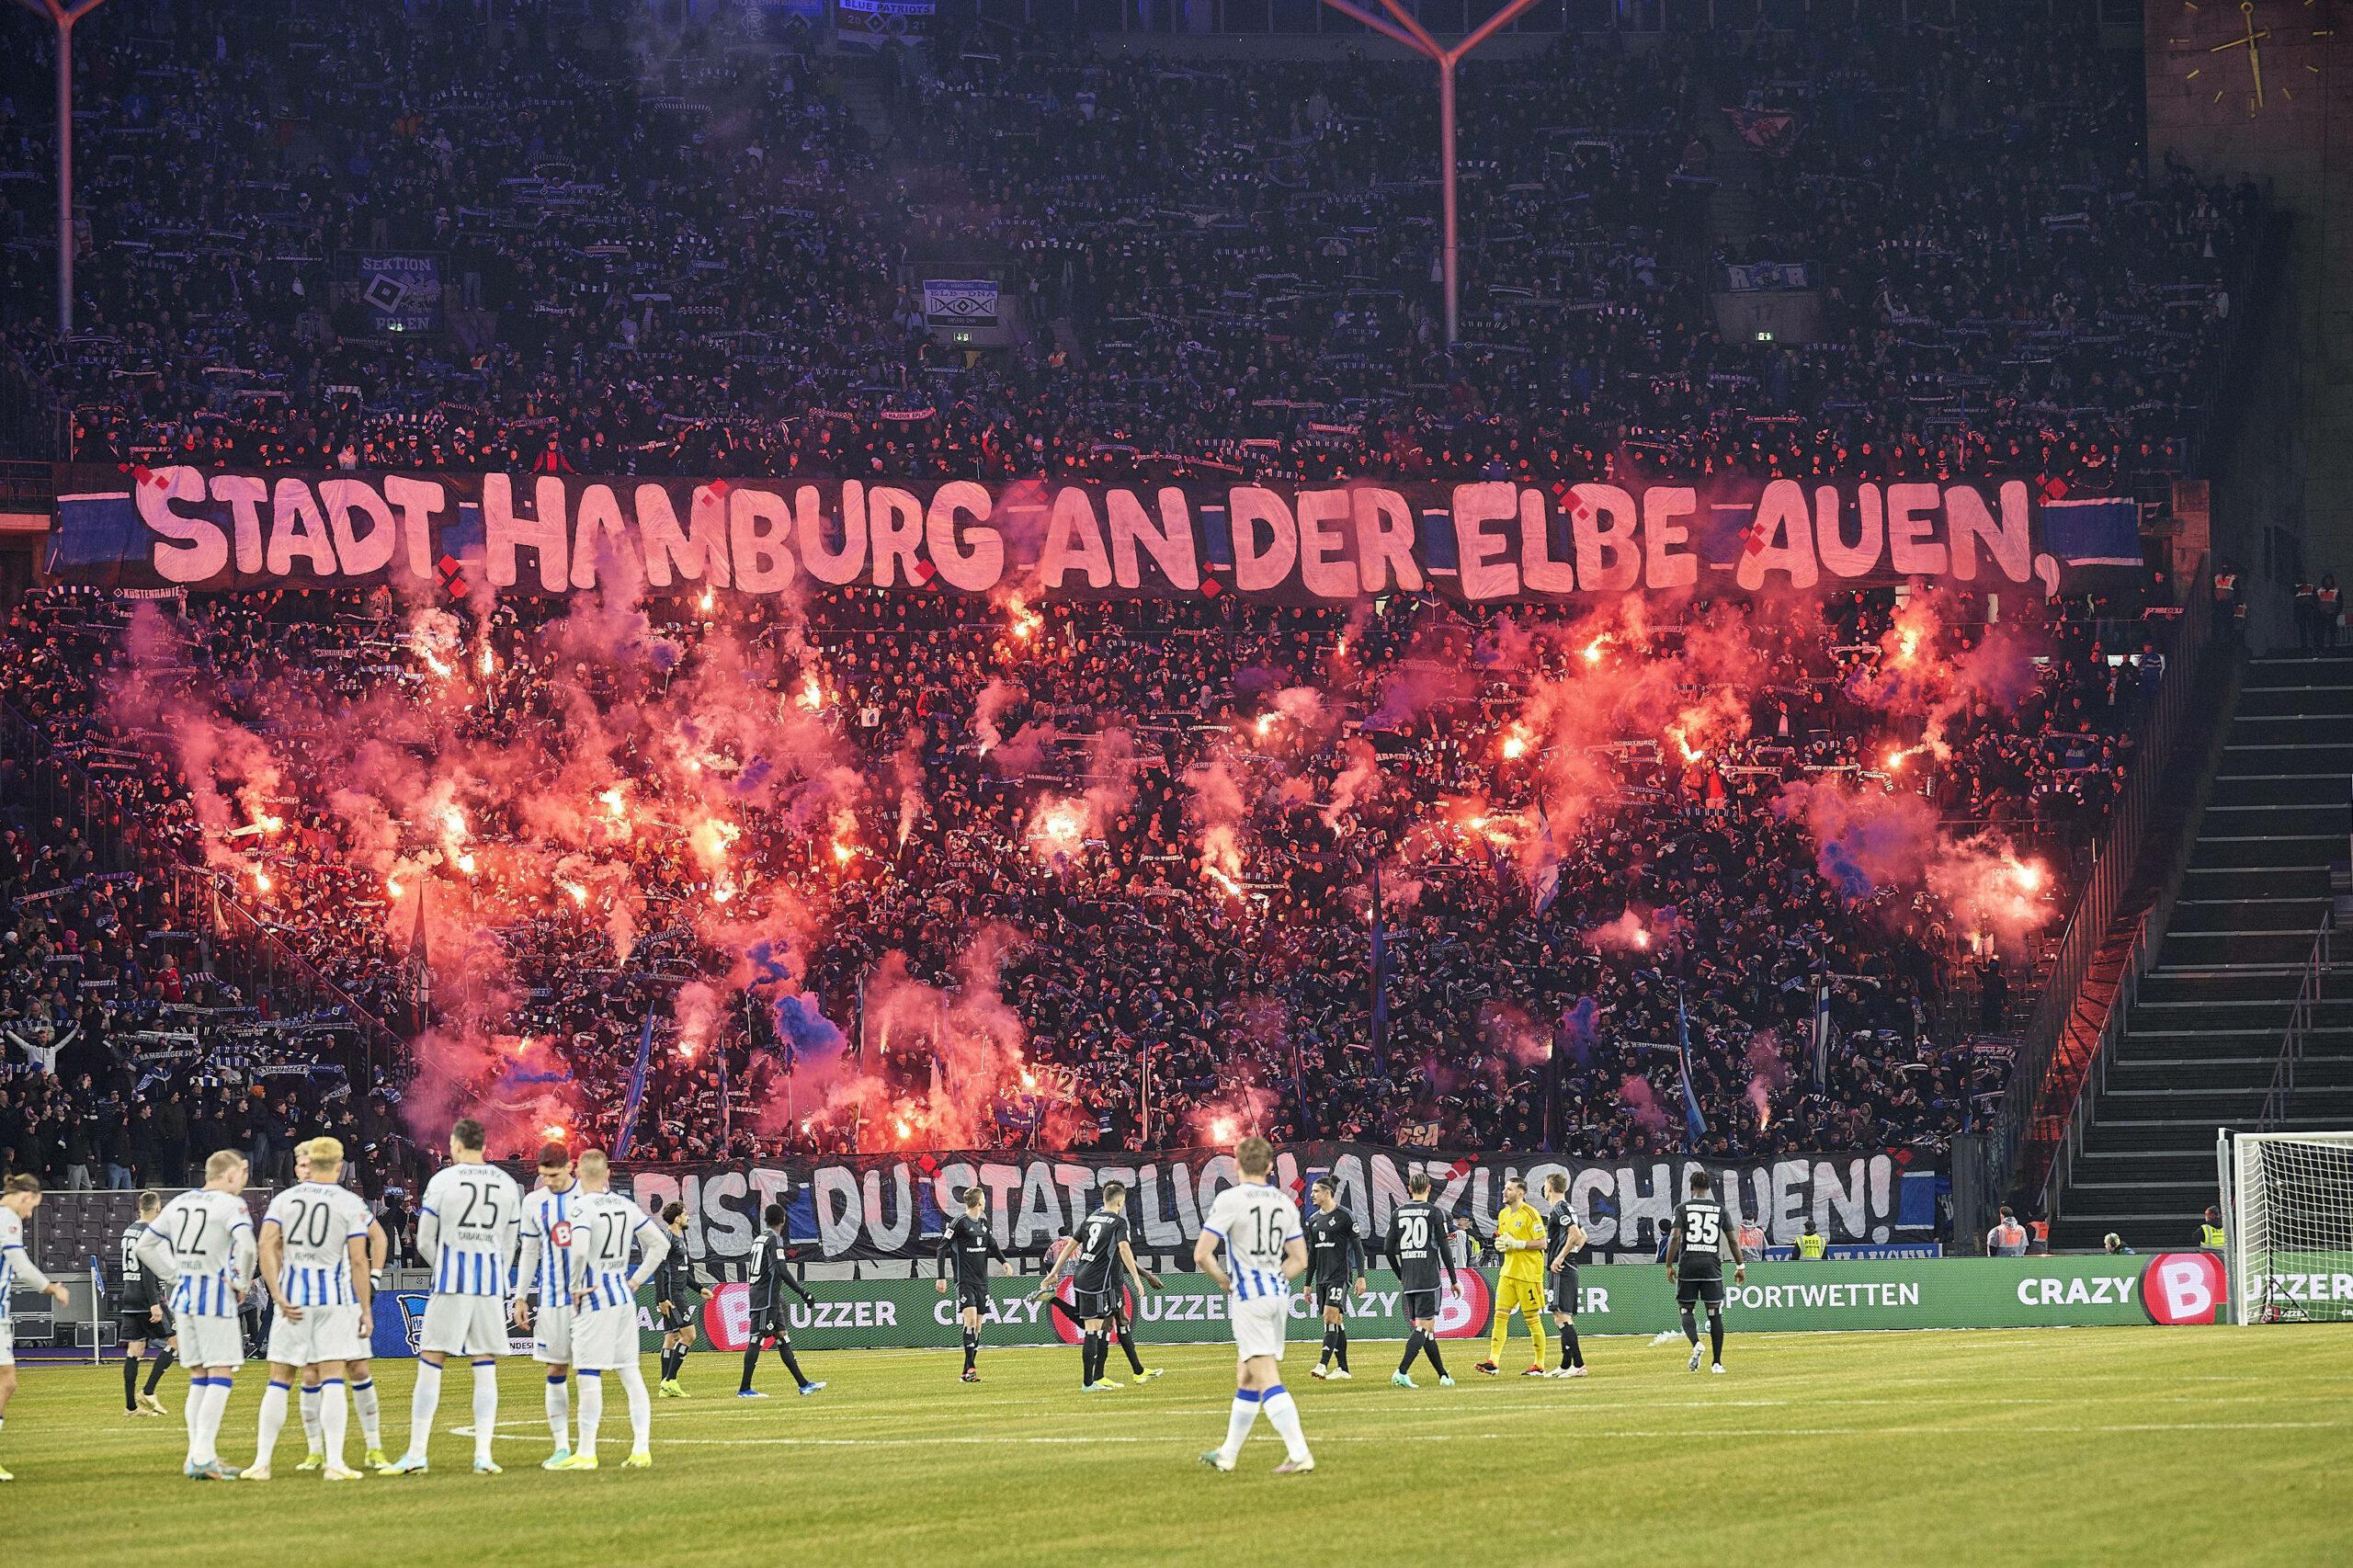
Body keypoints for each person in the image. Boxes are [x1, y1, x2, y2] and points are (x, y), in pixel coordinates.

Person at [384, 1119, 521, 1475]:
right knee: (484, 1365)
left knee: (431, 1361)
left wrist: (445, 1266)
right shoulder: (505, 1183)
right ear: (483, 1144)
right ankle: (483, 1456)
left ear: (457, 1145)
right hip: (489, 1284)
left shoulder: (444, 1180)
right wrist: (496, 1273)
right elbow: (510, 1243)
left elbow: (426, 1238)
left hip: (452, 1281)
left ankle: (417, 1454)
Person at [245, 1134, 373, 1481]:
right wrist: (365, 1308)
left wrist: (277, 1294)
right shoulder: (348, 1203)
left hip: (293, 1302)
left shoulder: (286, 1200)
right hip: (332, 1301)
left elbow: (266, 1246)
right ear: (338, 1164)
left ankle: (262, 1463)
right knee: (332, 1377)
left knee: (279, 1380)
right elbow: (359, 1261)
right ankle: (334, 1463)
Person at [135, 1149, 257, 1479]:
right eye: (243, 1173)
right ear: (231, 1174)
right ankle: (202, 1457)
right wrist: (241, 1281)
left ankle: (198, 1456)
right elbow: (247, 1246)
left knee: (199, 1378)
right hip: (215, 1297)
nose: (244, 1180)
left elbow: (143, 1246)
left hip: (184, 1299)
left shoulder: (180, 1202)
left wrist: (175, 1275)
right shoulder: (232, 1205)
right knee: (220, 1375)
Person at [1194, 1137, 1313, 1475]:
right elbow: (1299, 1260)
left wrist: (1224, 1281)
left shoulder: (1230, 1199)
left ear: (1236, 1164)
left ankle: (1300, 1452)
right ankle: (1228, 1454)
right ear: (1271, 1167)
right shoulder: (1284, 1202)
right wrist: (1274, 1278)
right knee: (1247, 1375)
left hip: (1251, 1297)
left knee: (1265, 1376)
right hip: (1276, 1294)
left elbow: (1202, 1254)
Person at [549, 1149, 667, 1471]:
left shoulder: (580, 1207)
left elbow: (580, 1250)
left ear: (577, 1174)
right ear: (608, 1175)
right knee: (631, 1373)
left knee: (589, 1374)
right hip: (623, 1296)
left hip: (594, 1296)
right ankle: (641, 1449)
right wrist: (637, 1280)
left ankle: (586, 1453)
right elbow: (661, 1244)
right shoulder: (624, 1205)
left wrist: (574, 1286)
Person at [513, 1143, 583, 1468]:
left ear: (571, 1166)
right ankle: (561, 1446)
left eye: (553, 1175)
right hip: (553, 1301)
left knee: (589, 1372)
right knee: (555, 1369)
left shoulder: (588, 1196)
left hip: (588, 1299)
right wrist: (522, 1295)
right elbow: (530, 1251)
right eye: (543, 1176)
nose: (549, 1182)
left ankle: (588, 1446)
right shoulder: (533, 1201)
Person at [1, 1173, 74, 1481]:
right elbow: (21, 1266)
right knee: (7, 1383)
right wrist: (52, 1289)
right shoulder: (8, 1218)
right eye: (31, 1207)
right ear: (25, 1196)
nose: (29, 1215)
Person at [1665, 1170, 1745, 1375]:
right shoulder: (1720, 1209)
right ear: (1708, 1188)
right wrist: (1740, 1266)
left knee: (1686, 1310)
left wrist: (1669, 1264)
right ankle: (1717, 1363)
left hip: (1689, 1263)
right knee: (1715, 1313)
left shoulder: (1682, 1208)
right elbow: (1732, 1240)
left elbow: (1674, 1237)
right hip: (1711, 1264)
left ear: (1691, 1187)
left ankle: (1696, 1343)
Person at [1069, 1181, 1147, 1392]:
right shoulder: (1118, 1222)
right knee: (1094, 1330)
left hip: (1082, 1277)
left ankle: (1101, 1377)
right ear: (1120, 1201)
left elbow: (1071, 1245)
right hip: (1099, 1281)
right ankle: (1090, 1382)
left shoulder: (1090, 1218)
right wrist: (1138, 1279)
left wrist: (1052, 1273)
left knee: (1100, 1326)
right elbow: (1124, 1249)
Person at [740, 1204, 823, 1397]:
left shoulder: (760, 1238)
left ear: (766, 1219)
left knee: (782, 1337)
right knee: (756, 1338)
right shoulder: (774, 1239)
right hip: (764, 1296)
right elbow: (781, 1269)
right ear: (783, 1220)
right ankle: (744, 1389)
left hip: (771, 1296)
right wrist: (802, 1292)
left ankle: (804, 1385)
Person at [1385, 1169, 1458, 1390]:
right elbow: (1444, 1248)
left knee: (1428, 1329)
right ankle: (1402, 1371)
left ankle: (1443, 1375)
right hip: (1428, 1276)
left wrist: (1400, 1275)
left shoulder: (1398, 1213)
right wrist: (1453, 1278)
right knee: (1424, 1327)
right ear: (1428, 1189)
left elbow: (1388, 1249)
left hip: (1409, 1276)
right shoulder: (1435, 1213)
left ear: (1409, 1189)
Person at [935, 1186, 1010, 1383]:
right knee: (969, 1322)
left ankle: (966, 1371)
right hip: (965, 1280)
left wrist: (1004, 1262)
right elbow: (942, 1248)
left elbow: (991, 1245)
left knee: (977, 1326)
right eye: (984, 1199)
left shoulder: (984, 1224)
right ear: (979, 1202)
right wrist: (941, 1276)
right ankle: (971, 1368)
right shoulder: (960, 1222)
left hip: (982, 1282)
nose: (985, 1202)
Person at [1475, 1176, 1548, 1377]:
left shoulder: (1530, 1214)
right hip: (1508, 1273)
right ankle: (1493, 1361)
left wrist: (1519, 1244)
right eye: (1505, 1188)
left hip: (1528, 1274)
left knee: (1532, 1320)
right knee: (1499, 1317)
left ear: (1520, 1193)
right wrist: (1501, 1245)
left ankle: (1539, 1364)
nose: (1504, 1192)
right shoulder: (1503, 1215)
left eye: (1509, 1189)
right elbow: (1504, 1239)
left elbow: (1542, 1243)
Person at [117, 1189, 178, 1417]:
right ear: (158, 1209)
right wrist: (154, 1302)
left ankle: (131, 1408)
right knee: (176, 1342)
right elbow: (147, 1268)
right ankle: (149, 1391)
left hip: (129, 1295)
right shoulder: (150, 1232)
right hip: (146, 1296)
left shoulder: (128, 1230)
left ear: (139, 1207)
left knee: (135, 1350)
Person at [1302, 1175, 1365, 1381]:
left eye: (1315, 1191)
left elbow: (1358, 1248)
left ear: (1327, 1192)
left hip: (1339, 1275)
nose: (1312, 1195)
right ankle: (1344, 1369)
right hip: (1321, 1277)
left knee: (1329, 1317)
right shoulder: (1313, 1220)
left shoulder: (1345, 1216)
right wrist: (1307, 1283)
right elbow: (1312, 1255)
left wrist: (1360, 1276)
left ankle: (1322, 1365)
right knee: (1336, 1321)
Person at [1540, 1171, 1588, 1379]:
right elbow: (1583, 1236)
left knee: (1560, 1316)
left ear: (1549, 1187)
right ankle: (1565, 1364)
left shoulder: (1559, 1208)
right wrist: (1571, 1252)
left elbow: (1576, 1234)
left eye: (1544, 1185)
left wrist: (1560, 1257)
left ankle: (1578, 1364)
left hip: (1562, 1269)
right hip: (1567, 1267)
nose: (1544, 1188)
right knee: (1561, 1316)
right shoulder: (1569, 1208)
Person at [654, 1203, 699, 1397]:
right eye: (685, 1214)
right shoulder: (668, 1239)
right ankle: (670, 1380)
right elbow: (658, 1268)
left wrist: (700, 1288)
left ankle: (665, 1387)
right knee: (689, 1336)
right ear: (677, 1219)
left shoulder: (679, 1240)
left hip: (677, 1293)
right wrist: (661, 1298)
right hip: (673, 1296)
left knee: (671, 1337)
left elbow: (682, 1273)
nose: (688, 1217)